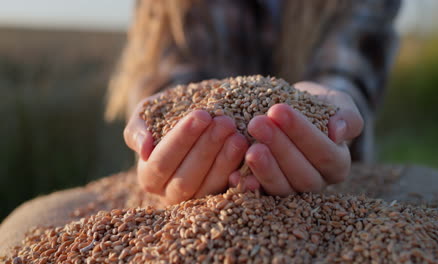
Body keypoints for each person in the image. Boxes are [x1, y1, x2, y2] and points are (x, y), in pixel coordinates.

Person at [106, 0, 401, 207]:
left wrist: (330, 116)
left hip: (331, 193)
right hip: (208, 207)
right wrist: (166, 134)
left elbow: (348, 64)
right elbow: (174, 64)